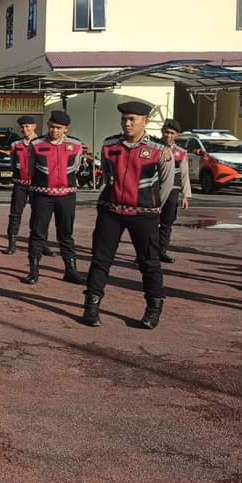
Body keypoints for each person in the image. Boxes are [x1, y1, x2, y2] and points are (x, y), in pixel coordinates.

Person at [82, 102, 174, 329]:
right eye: (124, 119)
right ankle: (91, 306)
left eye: (133, 119)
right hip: (111, 212)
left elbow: (166, 185)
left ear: (146, 121)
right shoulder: (109, 145)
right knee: (100, 260)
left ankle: (153, 309)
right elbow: (106, 177)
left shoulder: (159, 149)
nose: (127, 123)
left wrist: (149, 206)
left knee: (149, 263)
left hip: (144, 215)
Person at [22, 111, 84, 286]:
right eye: (52, 126)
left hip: (66, 195)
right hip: (42, 195)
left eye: (58, 128)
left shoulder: (76, 145)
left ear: (66, 129)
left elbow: (76, 167)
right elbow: (30, 169)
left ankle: (70, 270)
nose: (54, 130)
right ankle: (33, 271)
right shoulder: (36, 144)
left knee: (66, 233)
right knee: (38, 232)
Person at [4, 116, 52, 257]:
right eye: (22, 127)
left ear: (34, 126)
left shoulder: (42, 143)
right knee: (15, 214)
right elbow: (13, 163)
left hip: (37, 185)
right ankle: (12, 244)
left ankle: (42, 244)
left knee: (40, 216)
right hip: (20, 184)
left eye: (27, 126)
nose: (25, 129)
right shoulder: (15, 145)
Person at [157, 119, 192, 264]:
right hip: (154, 190)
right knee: (149, 222)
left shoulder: (181, 153)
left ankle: (162, 251)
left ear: (176, 135)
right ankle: (145, 252)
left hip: (173, 191)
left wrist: (185, 195)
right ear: (162, 132)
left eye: (172, 133)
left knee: (167, 222)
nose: (168, 135)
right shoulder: (154, 148)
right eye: (166, 132)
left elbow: (184, 175)